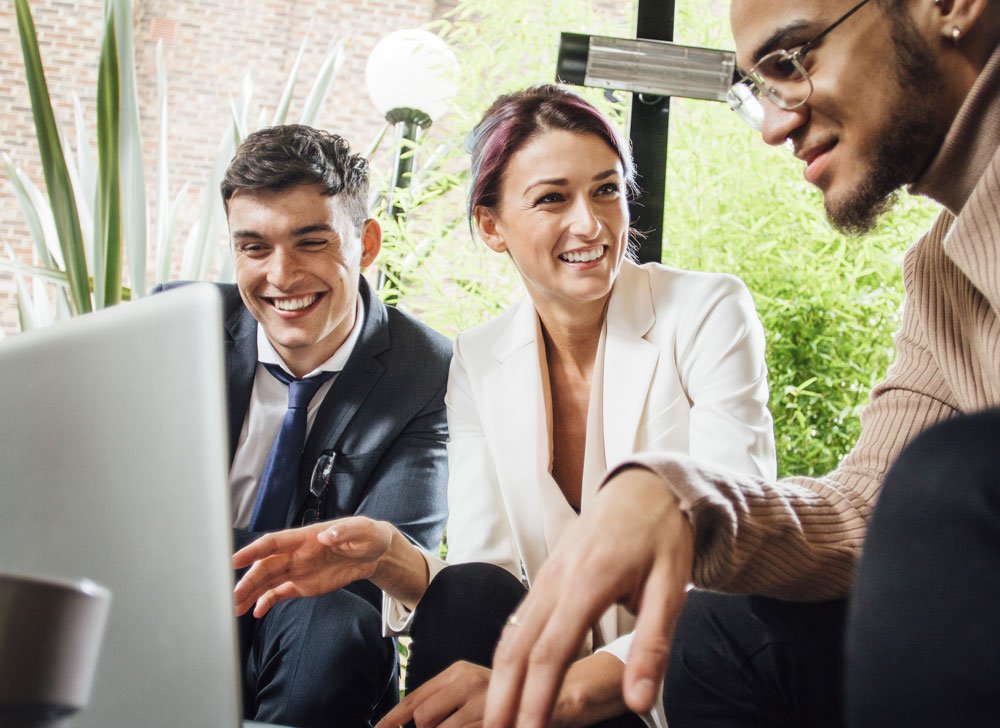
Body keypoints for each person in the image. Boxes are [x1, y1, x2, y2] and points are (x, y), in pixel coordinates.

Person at [479, 1, 1000, 728]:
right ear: (490, 228)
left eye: (795, 61)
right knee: (717, 636)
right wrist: (685, 500)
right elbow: (864, 513)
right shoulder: (941, 275)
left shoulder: (706, 308)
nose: (773, 125)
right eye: (764, 84)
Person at [232, 85, 776, 728]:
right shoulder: (481, 359)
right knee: (467, 593)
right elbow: (484, 581)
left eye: (605, 189)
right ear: (492, 226)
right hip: (549, 687)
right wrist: (384, 554)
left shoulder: (707, 312)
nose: (591, 223)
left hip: (675, 685)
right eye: (553, 198)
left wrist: (567, 689)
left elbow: (735, 564)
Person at [162, 124, 451, 727]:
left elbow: (387, 562)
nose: (281, 275)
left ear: (365, 243)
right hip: (171, 608)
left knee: (331, 611)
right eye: (254, 247)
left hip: (318, 646)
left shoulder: (429, 372)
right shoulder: (171, 326)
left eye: (311, 243)